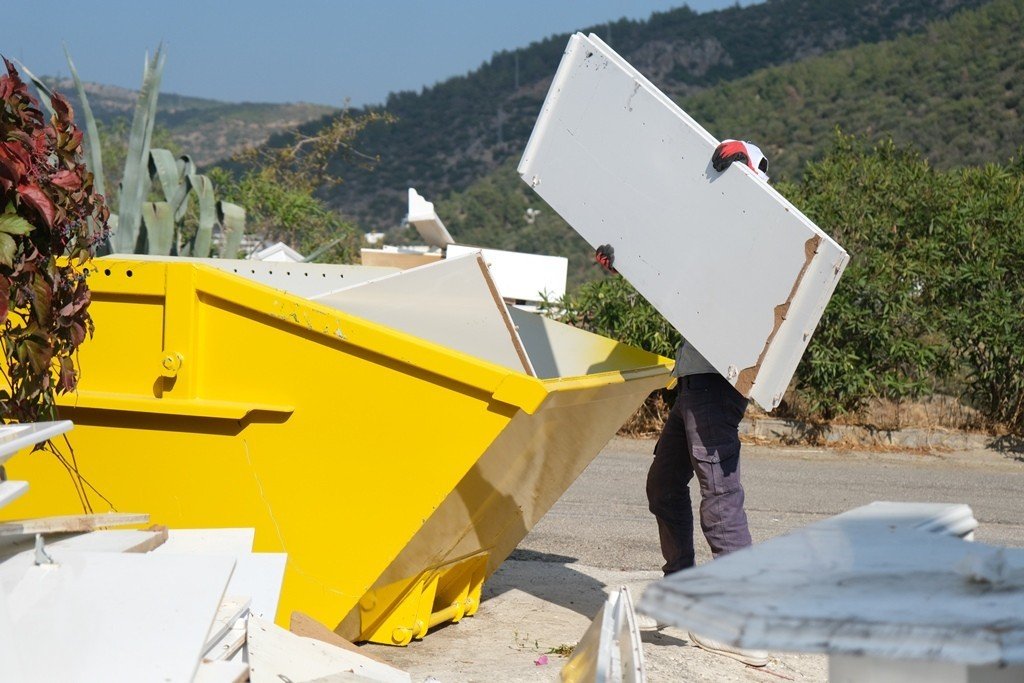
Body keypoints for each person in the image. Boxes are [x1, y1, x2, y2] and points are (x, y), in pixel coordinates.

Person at [596, 139, 771, 668]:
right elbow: (676, 284)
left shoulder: (759, 234)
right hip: (695, 378)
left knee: (720, 494)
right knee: (664, 483)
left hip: (718, 382)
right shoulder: (717, 248)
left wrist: (743, 166)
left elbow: (763, 206)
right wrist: (625, 265)